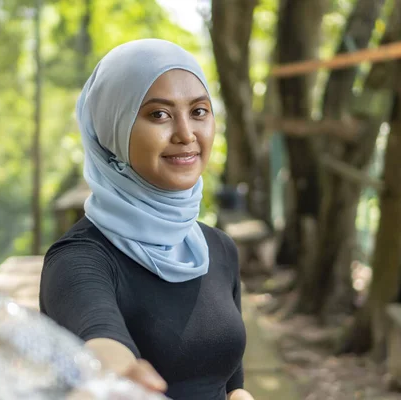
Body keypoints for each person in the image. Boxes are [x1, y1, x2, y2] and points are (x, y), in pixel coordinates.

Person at [39, 38, 253, 400]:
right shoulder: (79, 260)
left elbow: (229, 381)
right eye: (159, 114)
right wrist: (119, 373)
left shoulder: (218, 248)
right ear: (113, 130)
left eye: (199, 111)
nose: (186, 134)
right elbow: (102, 345)